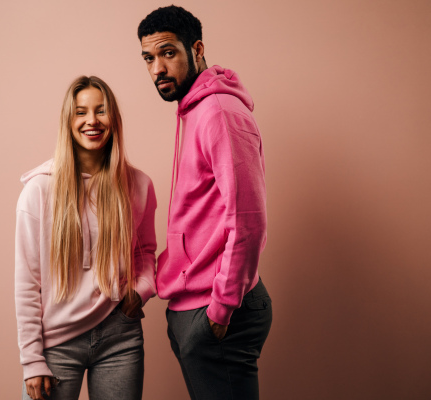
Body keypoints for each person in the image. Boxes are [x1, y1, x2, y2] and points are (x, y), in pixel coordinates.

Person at [138, 6, 272, 400]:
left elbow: (248, 220)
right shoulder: (193, 109)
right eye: (148, 58)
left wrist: (221, 308)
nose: (157, 69)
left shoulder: (219, 113)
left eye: (168, 53)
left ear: (196, 50)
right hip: (194, 302)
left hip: (217, 308)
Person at [14, 76, 157, 400]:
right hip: (56, 342)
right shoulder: (38, 191)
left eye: (101, 110)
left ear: (113, 119)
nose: (92, 120)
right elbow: (26, 282)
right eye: (81, 112)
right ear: (69, 121)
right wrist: (32, 361)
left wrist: (141, 290)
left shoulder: (138, 185)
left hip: (120, 337)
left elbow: (146, 251)